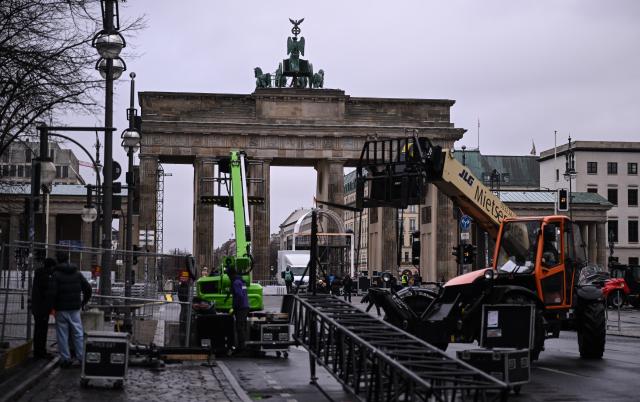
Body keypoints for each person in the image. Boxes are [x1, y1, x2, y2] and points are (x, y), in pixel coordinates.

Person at [46, 252, 92, 367]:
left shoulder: (56, 275)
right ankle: (81, 357)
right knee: (78, 333)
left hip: (61, 309)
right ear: (68, 259)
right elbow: (88, 288)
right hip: (75, 309)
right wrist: (83, 302)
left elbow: (52, 293)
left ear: (58, 261)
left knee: (62, 334)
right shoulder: (77, 273)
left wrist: (51, 307)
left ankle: (65, 359)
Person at [31, 258, 56, 358]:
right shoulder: (45, 277)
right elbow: (48, 293)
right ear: (50, 266)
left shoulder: (39, 274)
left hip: (37, 307)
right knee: (42, 331)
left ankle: (38, 351)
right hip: (42, 308)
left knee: (38, 330)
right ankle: (40, 352)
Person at [227, 267, 249, 352]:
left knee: (239, 326)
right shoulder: (241, 281)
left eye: (228, 275)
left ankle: (241, 346)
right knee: (242, 326)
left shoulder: (236, 282)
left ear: (231, 274)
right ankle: (243, 344)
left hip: (241, 307)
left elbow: (239, 295)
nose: (228, 277)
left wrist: (234, 307)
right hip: (245, 306)